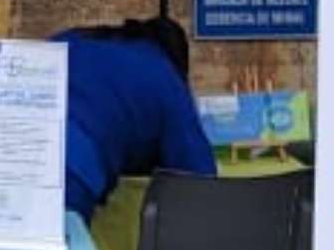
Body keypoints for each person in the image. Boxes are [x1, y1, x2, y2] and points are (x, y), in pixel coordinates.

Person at [52, 17, 216, 222]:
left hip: (7, 138)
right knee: (48, 248)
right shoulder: (164, 75)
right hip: (69, 168)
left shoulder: (71, 39)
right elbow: (199, 178)